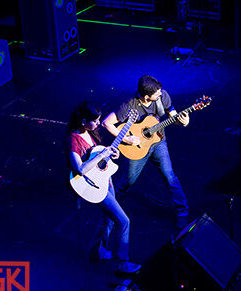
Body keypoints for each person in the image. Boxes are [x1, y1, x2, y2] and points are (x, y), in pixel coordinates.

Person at [102, 75, 190, 229]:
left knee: (170, 177)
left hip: (158, 142)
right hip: (136, 147)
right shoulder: (129, 105)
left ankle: (183, 212)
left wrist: (183, 121)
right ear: (146, 97)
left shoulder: (163, 96)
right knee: (128, 181)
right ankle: (110, 206)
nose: (160, 94)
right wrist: (127, 139)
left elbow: (173, 116)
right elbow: (106, 123)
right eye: (156, 94)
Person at [67, 101, 141, 273]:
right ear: (84, 120)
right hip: (92, 185)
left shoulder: (89, 132)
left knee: (108, 218)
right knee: (123, 221)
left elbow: (97, 156)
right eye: (96, 120)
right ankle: (123, 263)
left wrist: (111, 153)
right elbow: (80, 168)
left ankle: (97, 252)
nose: (99, 123)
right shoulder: (72, 140)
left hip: (104, 180)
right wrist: (102, 154)